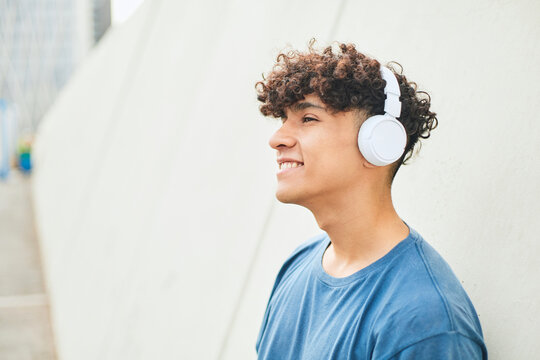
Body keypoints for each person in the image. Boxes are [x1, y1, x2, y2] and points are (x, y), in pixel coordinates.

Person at [254, 40, 487, 359]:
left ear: (379, 143)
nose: (277, 139)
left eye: (308, 119)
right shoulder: (298, 264)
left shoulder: (426, 323)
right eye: (283, 119)